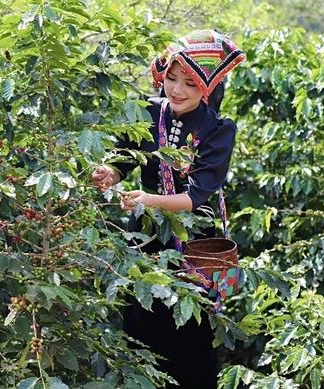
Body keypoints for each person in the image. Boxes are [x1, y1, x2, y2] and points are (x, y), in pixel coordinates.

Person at [91, 29, 246, 388]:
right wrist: (110, 173)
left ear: (208, 86)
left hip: (196, 237)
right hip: (146, 232)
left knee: (193, 329)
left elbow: (195, 197)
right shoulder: (148, 111)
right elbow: (125, 156)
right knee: (141, 321)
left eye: (189, 84)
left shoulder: (218, 130)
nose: (176, 90)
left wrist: (148, 201)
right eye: (172, 79)